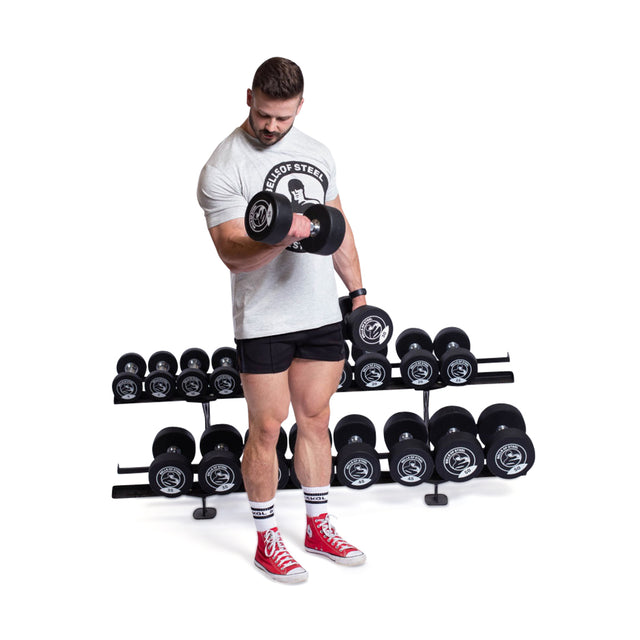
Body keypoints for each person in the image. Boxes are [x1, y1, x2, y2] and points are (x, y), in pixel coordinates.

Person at [197, 57, 369, 583]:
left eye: (284, 118)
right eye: (265, 114)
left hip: (319, 314)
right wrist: (284, 234)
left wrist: (358, 294)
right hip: (265, 320)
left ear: (300, 107)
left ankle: (317, 525)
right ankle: (268, 537)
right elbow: (231, 252)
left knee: (316, 420)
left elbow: (338, 228)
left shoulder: (317, 154)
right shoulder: (223, 167)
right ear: (250, 97)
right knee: (267, 428)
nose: (272, 127)